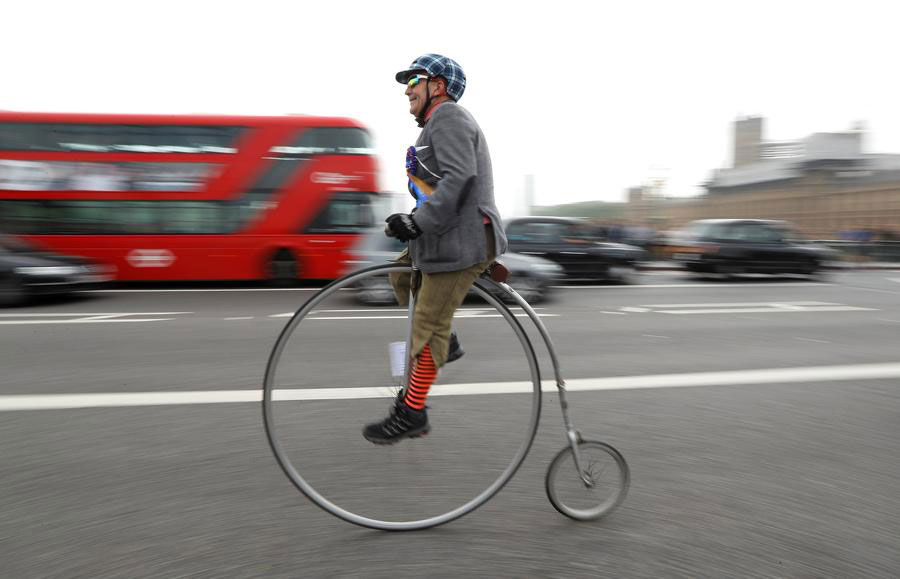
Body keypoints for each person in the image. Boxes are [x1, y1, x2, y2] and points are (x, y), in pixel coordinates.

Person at [362, 54, 507, 444]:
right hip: (440, 237)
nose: (407, 89)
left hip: (463, 240)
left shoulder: (450, 118)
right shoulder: (433, 128)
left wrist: (418, 223)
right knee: (397, 273)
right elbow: (436, 188)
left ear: (437, 86)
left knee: (427, 325)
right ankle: (449, 340)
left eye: (415, 81)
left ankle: (412, 413)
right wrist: (412, 218)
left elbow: (460, 179)